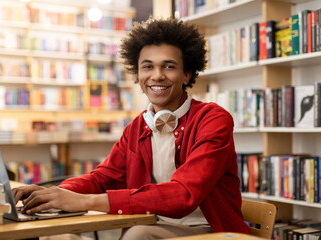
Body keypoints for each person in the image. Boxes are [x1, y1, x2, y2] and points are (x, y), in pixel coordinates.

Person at [13, 17, 250, 239]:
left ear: (187, 74)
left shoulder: (213, 119)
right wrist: (54, 194)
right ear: (137, 74)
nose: (157, 76)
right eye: (147, 67)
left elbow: (183, 194)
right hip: (151, 224)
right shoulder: (136, 127)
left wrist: (84, 202)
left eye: (169, 67)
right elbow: (102, 178)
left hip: (210, 231)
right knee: (56, 234)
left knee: (138, 235)